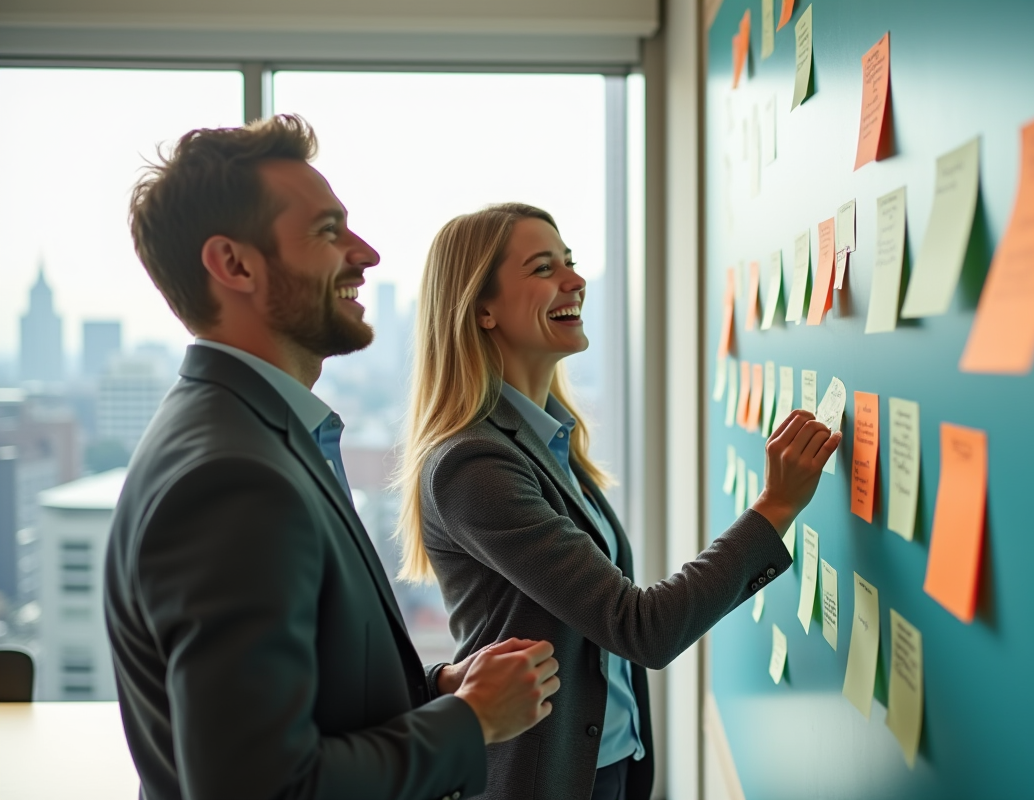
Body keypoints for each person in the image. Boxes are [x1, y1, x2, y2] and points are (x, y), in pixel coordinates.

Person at [104, 117, 560, 800]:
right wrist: (468, 721)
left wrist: (436, 691)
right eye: (327, 232)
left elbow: (301, 705)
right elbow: (259, 788)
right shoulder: (232, 480)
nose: (367, 253)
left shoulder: (258, 432)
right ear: (234, 265)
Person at [396, 202, 842, 800]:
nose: (575, 280)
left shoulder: (552, 440)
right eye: (543, 267)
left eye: (571, 262)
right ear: (481, 309)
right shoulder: (473, 465)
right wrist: (775, 508)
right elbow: (640, 627)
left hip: (608, 766)